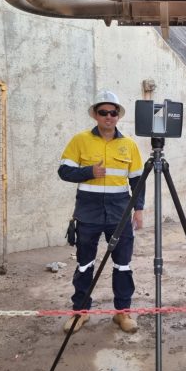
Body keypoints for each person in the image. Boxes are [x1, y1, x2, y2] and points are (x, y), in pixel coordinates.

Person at [58, 90, 145, 334]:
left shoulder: (129, 145)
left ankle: (122, 313)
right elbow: (63, 172)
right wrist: (88, 172)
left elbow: (138, 180)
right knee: (85, 264)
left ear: (118, 116)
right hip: (88, 213)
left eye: (113, 112)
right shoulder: (80, 140)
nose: (108, 116)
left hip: (119, 213)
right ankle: (80, 312)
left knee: (123, 265)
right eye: (103, 112)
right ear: (96, 115)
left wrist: (138, 210)